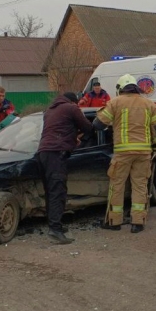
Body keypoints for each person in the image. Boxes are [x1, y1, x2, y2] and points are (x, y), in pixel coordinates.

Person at [93, 74, 156, 233]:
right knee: (140, 186)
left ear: (120, 89)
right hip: (144, 153)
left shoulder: (115, 102)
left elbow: (98, 124)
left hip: (123, 153)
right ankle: (138, 223)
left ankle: (114, 221)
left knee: (117, 186)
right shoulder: (148, 104)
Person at [36, 92, 93, 244]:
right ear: (74, 101)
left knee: (50, 191)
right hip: (56, 154)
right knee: (58, 192)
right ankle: (55, 231)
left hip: (43, 153)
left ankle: (55, 226)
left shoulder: (50, 110)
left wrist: (72, 137)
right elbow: (88, 127)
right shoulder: (71, 108)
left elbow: (57, 129)